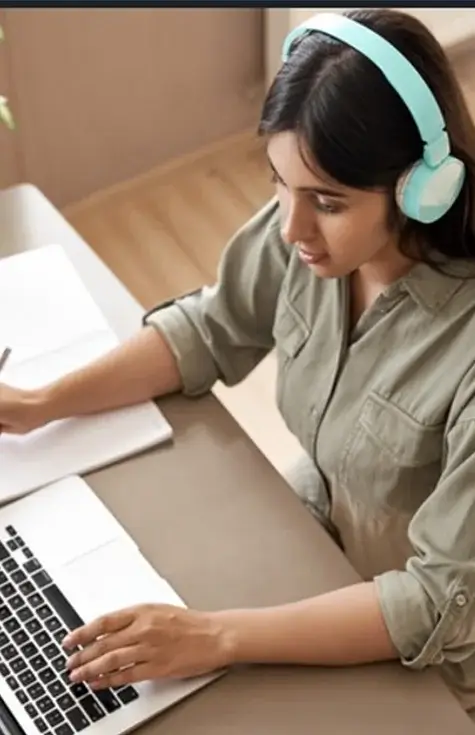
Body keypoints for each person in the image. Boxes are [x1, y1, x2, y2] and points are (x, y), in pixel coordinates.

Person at [2, 6, 475, 719]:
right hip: (316, 544)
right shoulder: (310, 237)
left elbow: (434, 600)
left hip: (433, 659)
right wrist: (42, 402)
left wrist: (216, 635)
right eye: (278, 184)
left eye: (325, 202)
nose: (290, 226)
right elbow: (211, 328)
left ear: (421, 189)